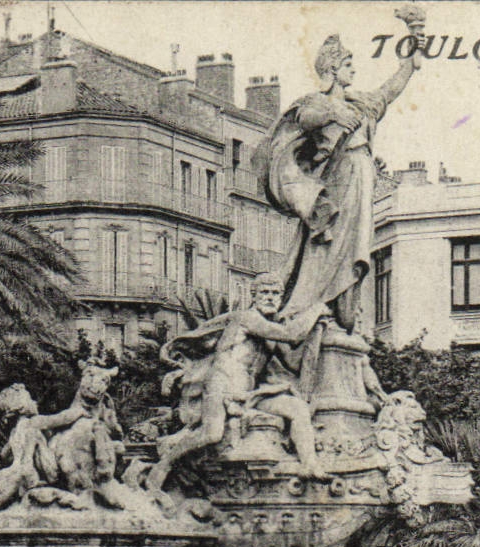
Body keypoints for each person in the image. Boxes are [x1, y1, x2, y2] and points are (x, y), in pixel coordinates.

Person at [261, 15, 424, 344]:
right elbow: (304, 120)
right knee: (331, 247)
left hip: (363, 180)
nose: (354, 70)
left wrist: (412, 50)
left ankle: (342, 311)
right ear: (332, 69)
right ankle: (315, 306)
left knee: (355, 248)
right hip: (339, 182)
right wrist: (332, 113)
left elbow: (390, 90)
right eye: (348, 64)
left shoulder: (361, 104)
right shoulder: (317, 103)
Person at [145, 272, 327, 491]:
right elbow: (292, 334)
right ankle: (165, 464)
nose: (270, 297)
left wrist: (317, 331)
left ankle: (309, 463)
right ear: (254, 296)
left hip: (248, 393)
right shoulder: (246, 318)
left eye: (275, 293)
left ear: (281, 298)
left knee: (297, 408)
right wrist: (317, 309)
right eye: (264, 292)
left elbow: (292, 362)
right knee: (212, 433)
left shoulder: (269, 331)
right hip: (222, 385)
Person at [0, 384, 89, 514]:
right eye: (30, 399)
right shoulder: (33, 422)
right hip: (20, 474)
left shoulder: (14, 431)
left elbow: (4, 454)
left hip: (15, 472)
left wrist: (22, 451)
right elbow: (61, 418)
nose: (34, 402)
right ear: (22, 405)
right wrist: (79, 411)